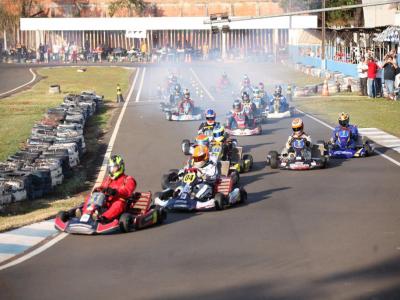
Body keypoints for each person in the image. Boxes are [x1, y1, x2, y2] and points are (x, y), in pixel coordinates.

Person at [92, 155, 136, 222]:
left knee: (118, 204)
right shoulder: (108, 179)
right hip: (106, 202)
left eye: (114, 167)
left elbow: (127, 191)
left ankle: (103, 218)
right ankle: (83, 213)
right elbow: (103, 188)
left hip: (120, 202)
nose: (112, 170)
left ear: (120, 167)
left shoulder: (128, 179)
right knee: (92, 198)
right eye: (111, 168)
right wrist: (98, 190)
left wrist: (115, 192)